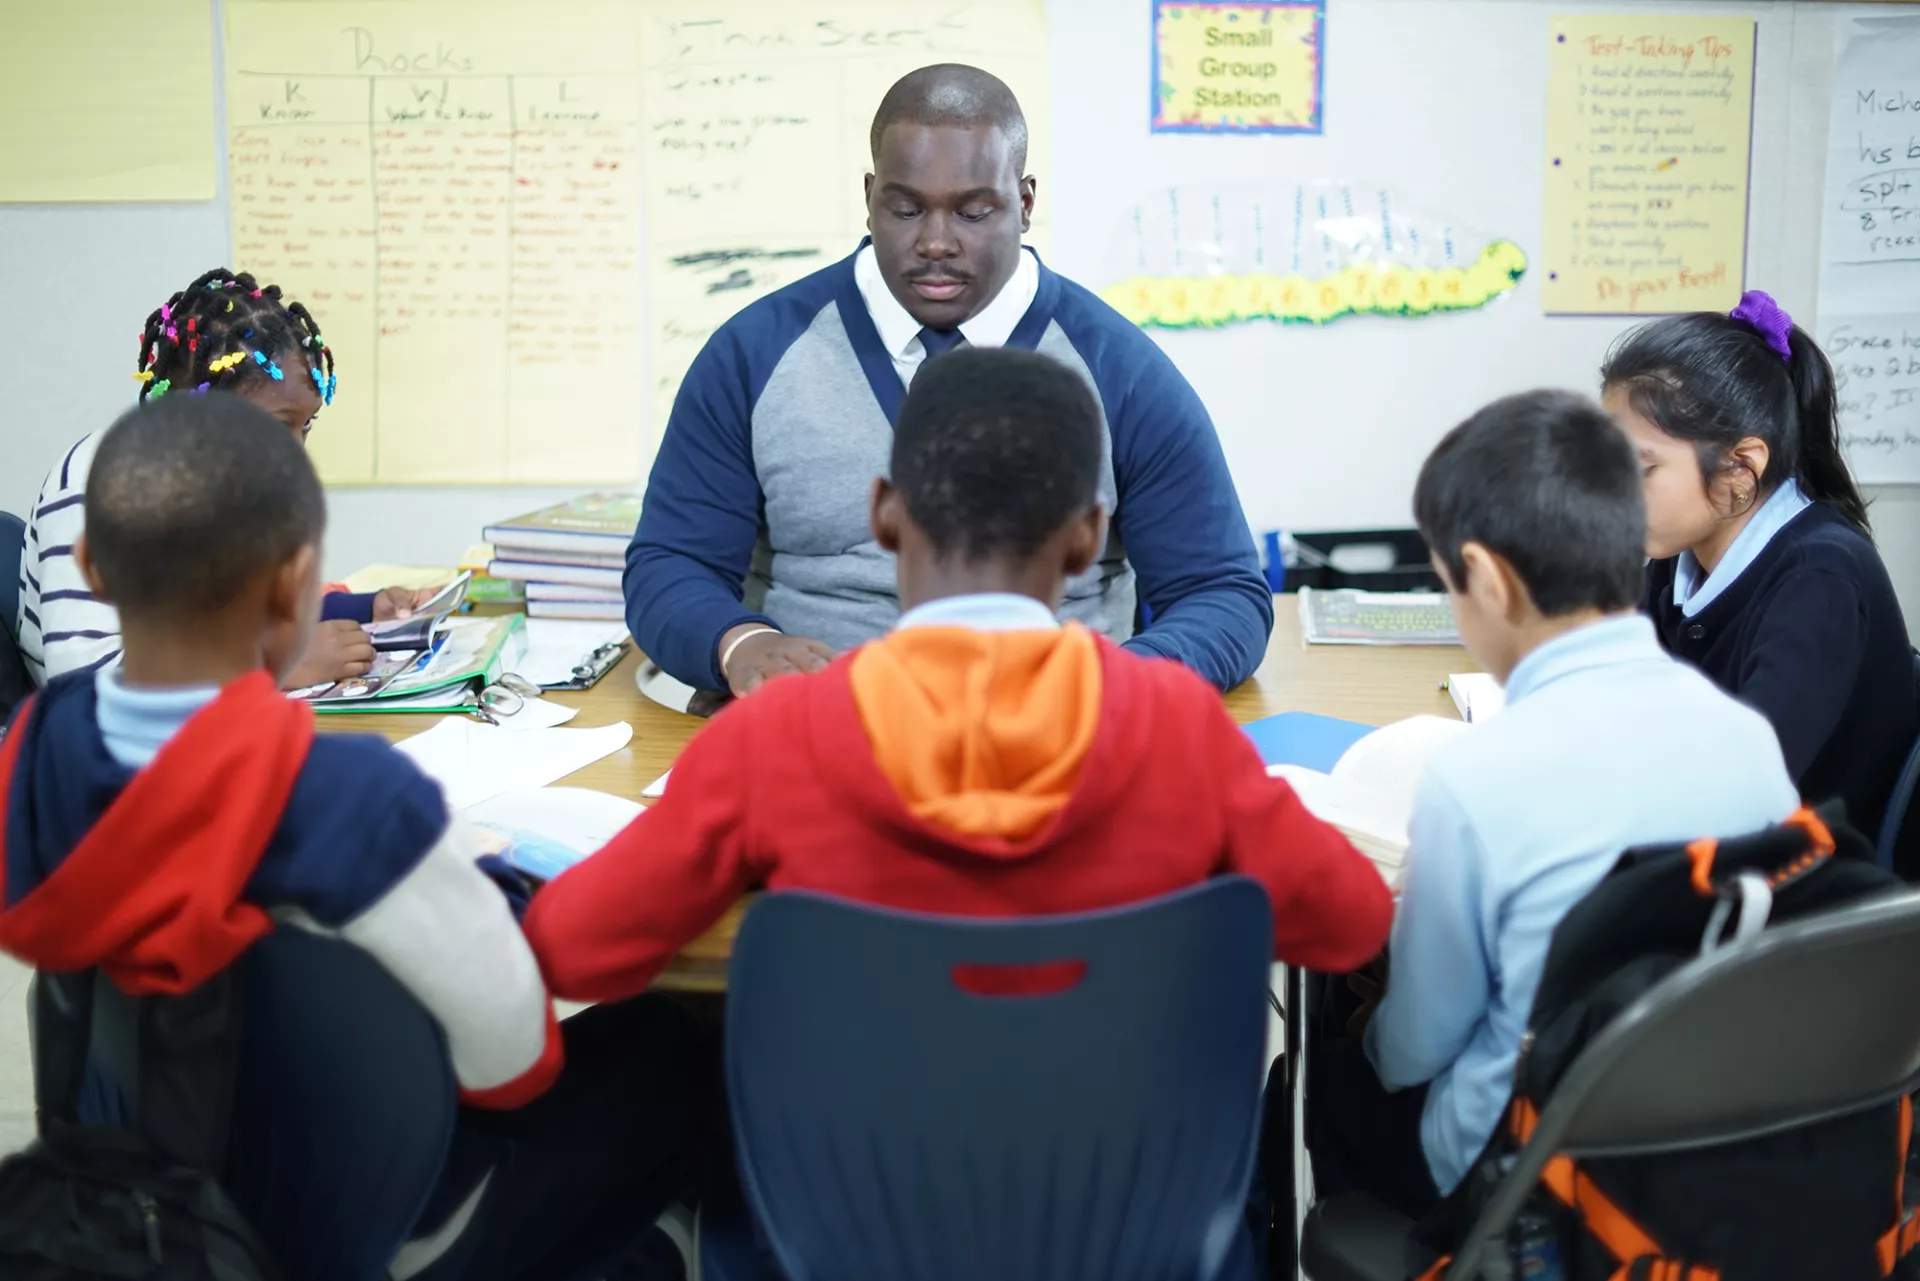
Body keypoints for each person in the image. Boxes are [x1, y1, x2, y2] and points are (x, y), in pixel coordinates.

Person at [0, 393, 701, 1281]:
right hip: (376, 1235)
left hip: (136, 1206)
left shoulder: (35, 753)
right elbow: (512, 1061)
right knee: (663, 1046)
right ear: (298, 584)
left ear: (92, 567)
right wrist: (464, 885)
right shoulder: (354, 805)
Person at [528, 346, 1390, 1000]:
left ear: (883, 515)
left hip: (841, 1223)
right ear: (1089, 535)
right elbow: (1351, 922)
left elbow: (572, 948)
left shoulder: (773, 738)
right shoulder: (1176, 726)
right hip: (1134, 1224)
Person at [625, 64, 1272, 701]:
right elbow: (669, 565)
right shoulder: (752, 353)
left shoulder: (1121, 369)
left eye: (972, 212)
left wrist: (1119, 686)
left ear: (1023, 203)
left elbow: (1221, 593)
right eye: (906, 209)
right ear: (870, 196)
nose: (936, 242)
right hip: (819, 734)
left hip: (1059, 742)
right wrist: (738, 643)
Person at [1307, 390, 1798, 1218]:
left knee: (1328, 1078)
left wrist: (1369, 1027)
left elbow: (1417, 1049)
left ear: (1490, 582)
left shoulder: (1476, 779)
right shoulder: (1746, 735)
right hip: (1718, 1139)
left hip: (1535, 1171)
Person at [16, 268, 438, 690]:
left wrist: (366, 608)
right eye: (278, 426)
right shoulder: (95, 484)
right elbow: (79, 683)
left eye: (306, 426)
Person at [1602, 290, 1916, 856]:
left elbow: (1742, 791)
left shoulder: (1819, 578)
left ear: (1740, 467)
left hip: (1805, 880)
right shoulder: (1680, 555)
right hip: (1710, 848)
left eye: (1641, 469)